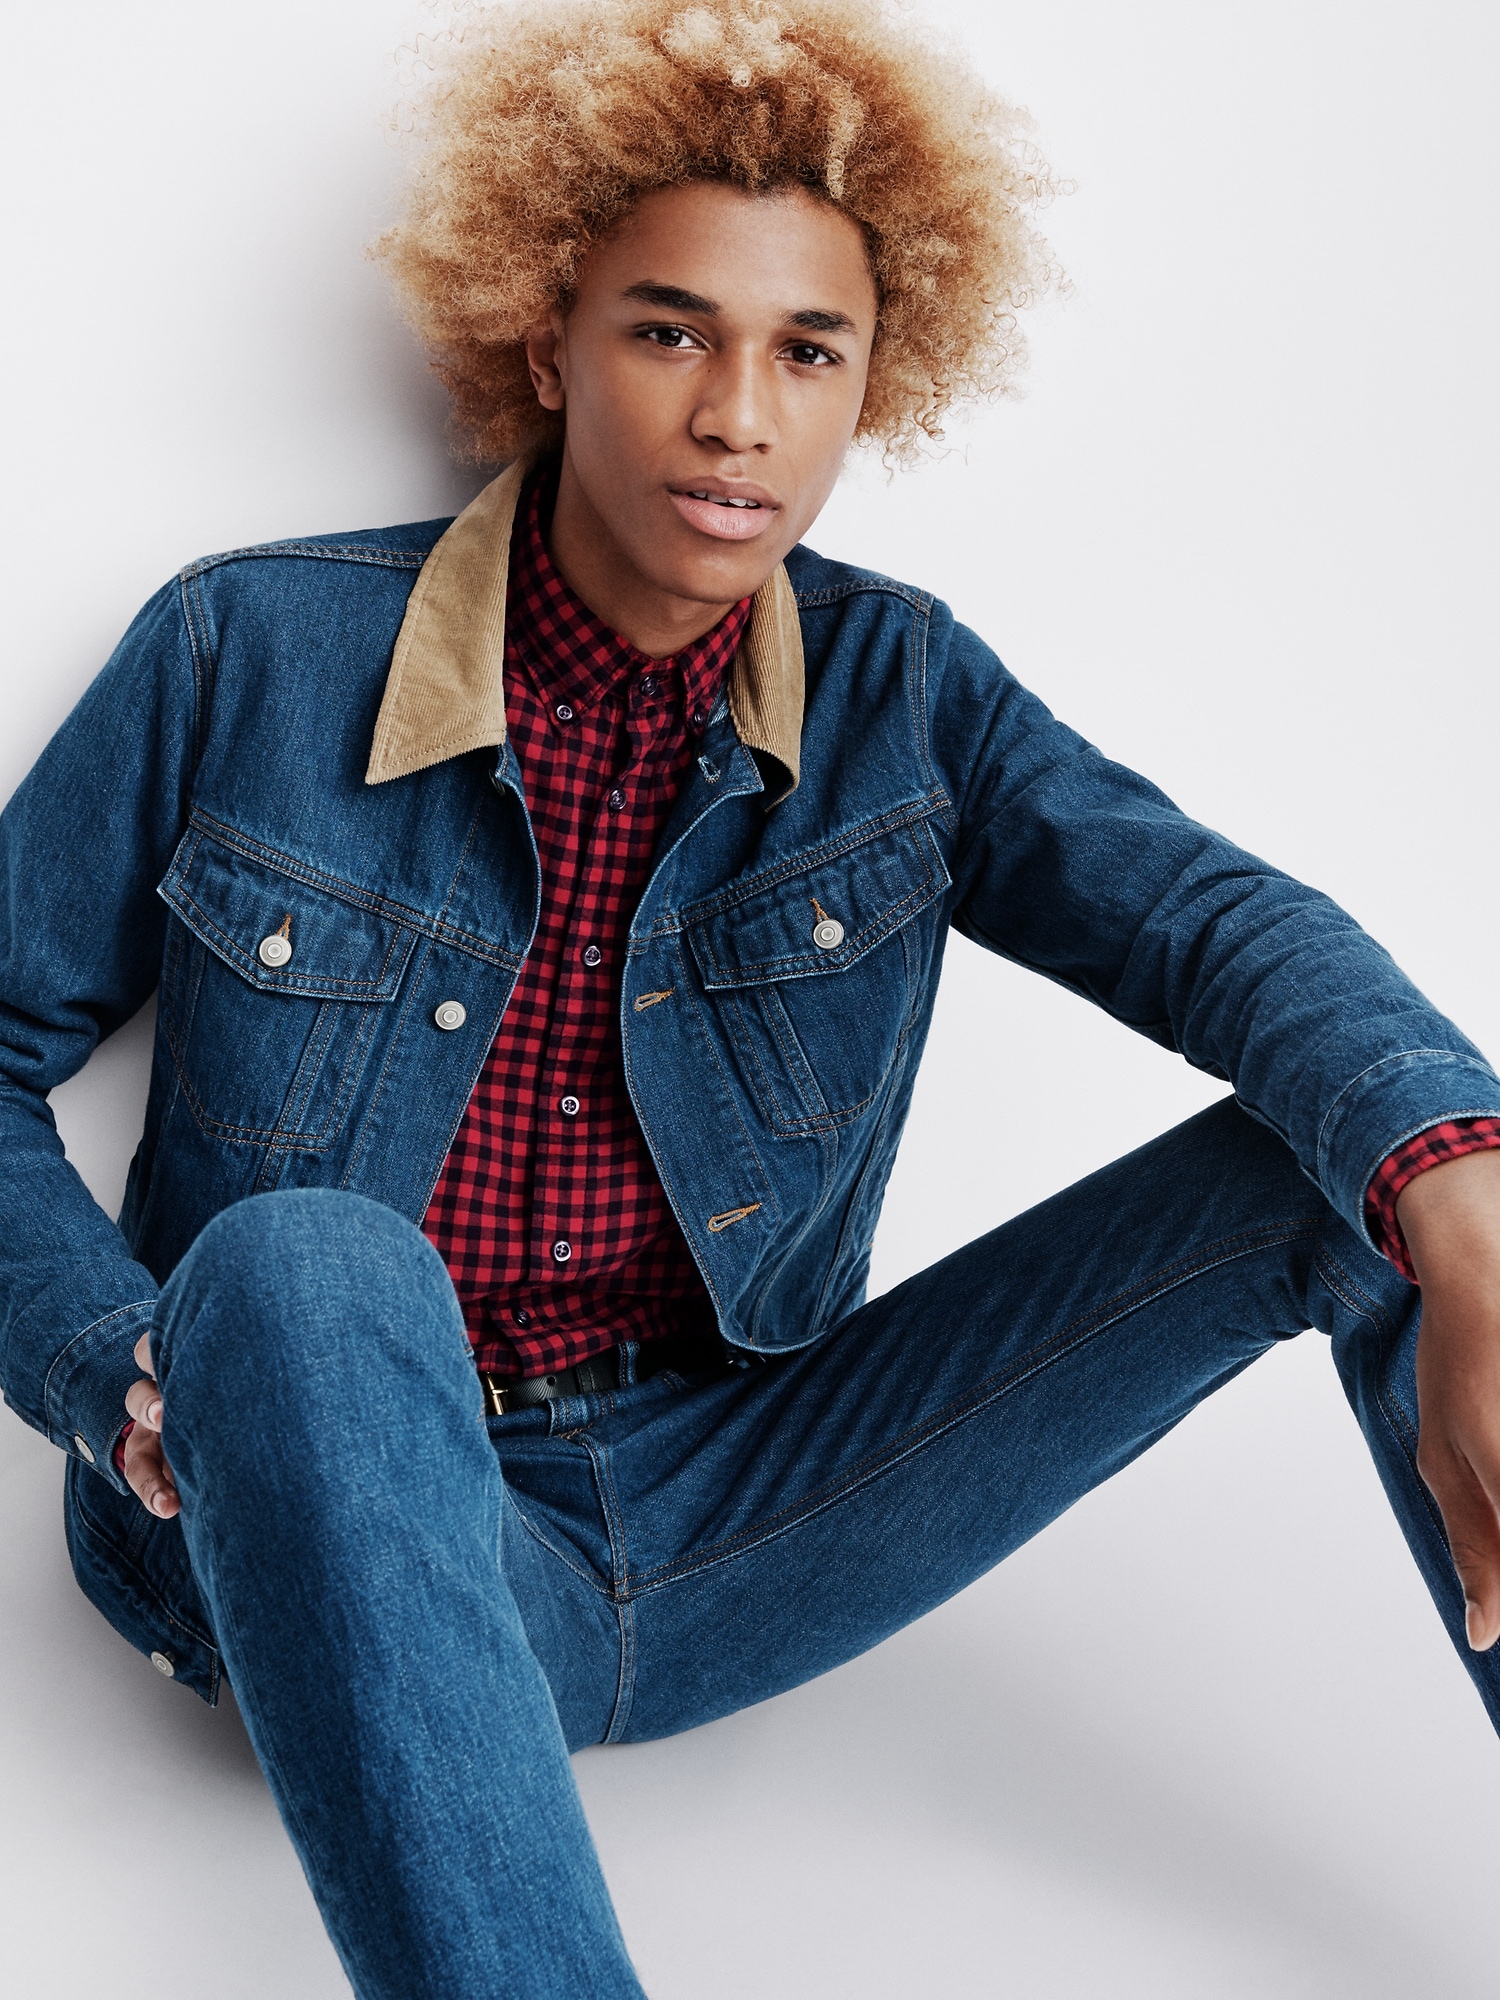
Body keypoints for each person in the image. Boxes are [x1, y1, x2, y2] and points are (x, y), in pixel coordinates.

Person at [3, 0, 1499, 1993]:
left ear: (876, 380)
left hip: (739, 1505)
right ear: (548, 341)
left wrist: (1463, 1201)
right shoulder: (245, 650)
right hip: (329, 1515)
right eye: (669, 332)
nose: (739, 418)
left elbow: (1219, 928)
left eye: (809, 351)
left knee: (1378, 1148)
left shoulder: (909, 696)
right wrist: (122, 1371)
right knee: (297, 1265)